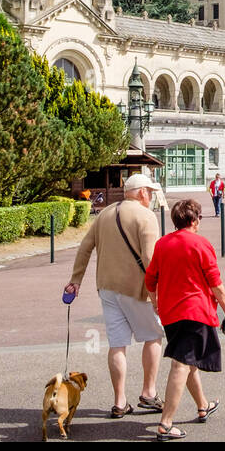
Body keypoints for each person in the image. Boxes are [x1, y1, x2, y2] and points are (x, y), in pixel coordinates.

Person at [65, 173, 165, 417]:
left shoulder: (105, 214)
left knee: (117, 344)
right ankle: (149, 393)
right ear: (142, 193)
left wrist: (75, 280)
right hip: (137, 289)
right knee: (153, 336)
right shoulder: (146, 216)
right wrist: (158, 295)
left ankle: (119, 401)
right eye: (149, 192)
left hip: (107, 288)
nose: (151, 196)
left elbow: (85, 247)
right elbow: (150, 259)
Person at [144, 197, 225, 440]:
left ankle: (203, 405)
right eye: (200, 218)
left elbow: (150, 279)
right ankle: (165, 423)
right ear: (194, 220)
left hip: (171, 314)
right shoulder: (201, 244)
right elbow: (216, 283)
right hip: (195, 311)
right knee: (181, 364)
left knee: (188, 360)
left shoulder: (162, 244)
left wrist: (156, 303)